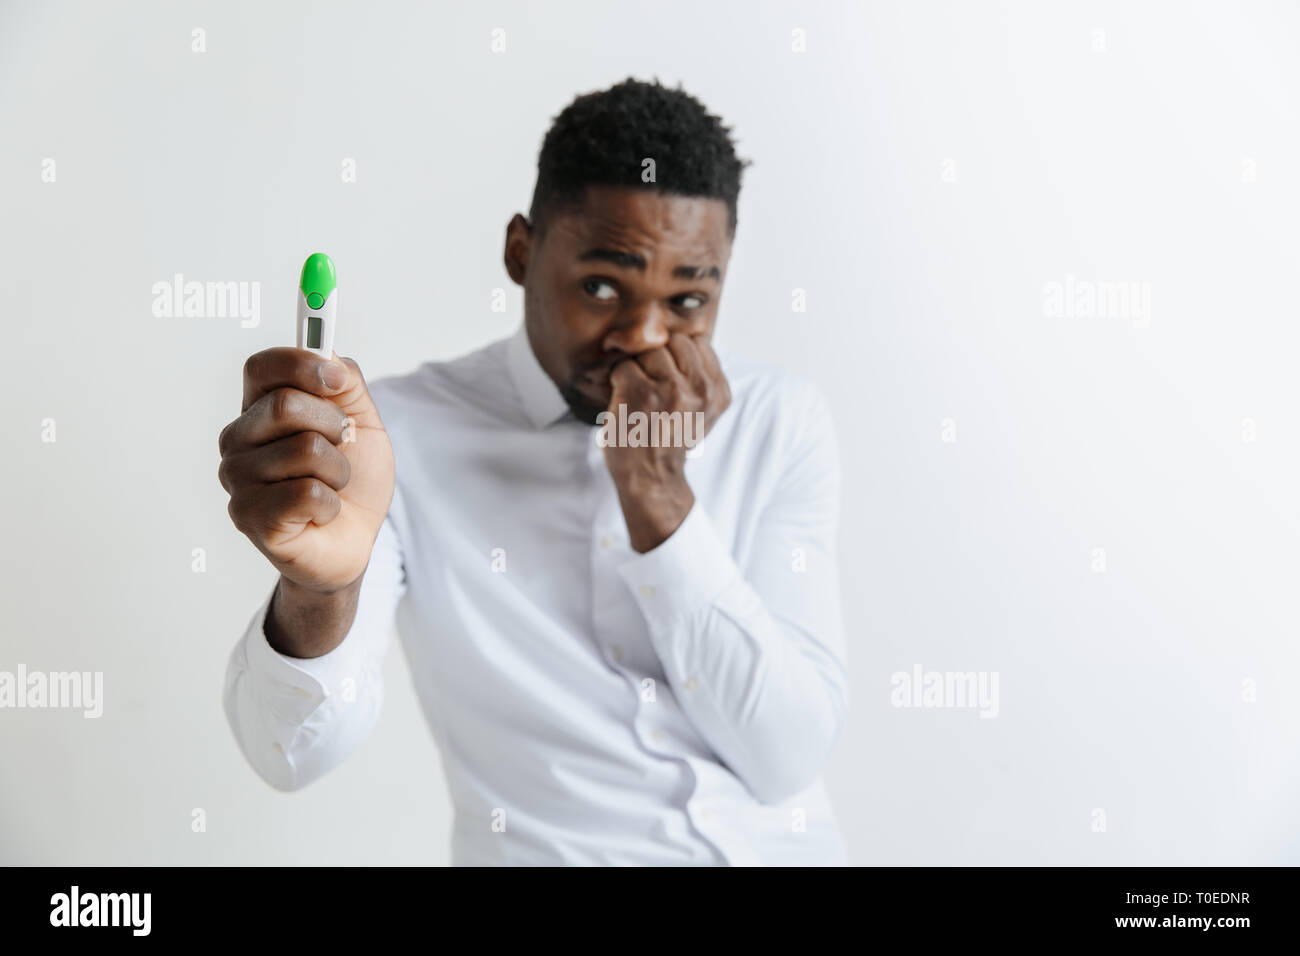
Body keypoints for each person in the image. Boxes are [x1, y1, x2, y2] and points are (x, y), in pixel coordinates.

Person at [217, 77, 849, 865]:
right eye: (602, 286)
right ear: (521, 251)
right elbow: (289, 751)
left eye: (687, 301)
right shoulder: (397, 437)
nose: (642, 337)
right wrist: (320, 589)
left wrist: (659, 500)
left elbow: (788, 756)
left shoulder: (779, 421)